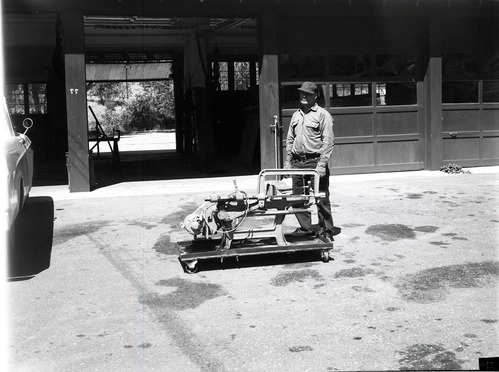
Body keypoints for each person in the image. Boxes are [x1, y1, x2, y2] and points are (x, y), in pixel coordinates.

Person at [284, 81, 340, 242]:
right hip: (297, 163)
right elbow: (290, 139)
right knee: (297, 199)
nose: (303, 96)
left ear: (315, 96)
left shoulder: (323, 115)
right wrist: (288, 161)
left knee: (321, 198)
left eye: (307, 93)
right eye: (301, 93)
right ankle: (306, 229)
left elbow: (328, 141)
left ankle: (326, 230)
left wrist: (322, 165)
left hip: (314, 162)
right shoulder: (296, 115)